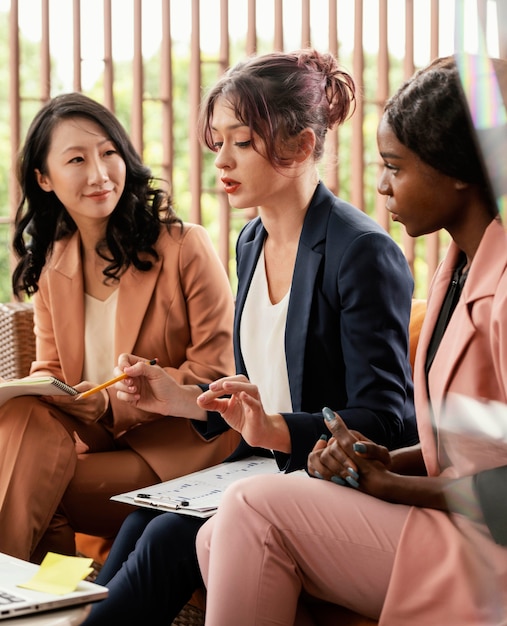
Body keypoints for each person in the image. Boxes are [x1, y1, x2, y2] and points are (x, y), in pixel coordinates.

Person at [82, 48, 417, 626]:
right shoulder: (251, 240)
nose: (222, 161)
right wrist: (177, 397)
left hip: (326, 480)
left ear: (302, 147)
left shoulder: (360, 252)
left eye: (241, 141)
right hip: (259, 466)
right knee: (141, 521)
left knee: (165, 537)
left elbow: (386, 418)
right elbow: (259, 391)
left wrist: (279, 430)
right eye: (219, 142)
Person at [195, 55, 507, 626]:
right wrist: (387, 462)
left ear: (460, 170)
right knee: (214, 537)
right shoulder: (458, 267)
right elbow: (464, 447)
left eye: (396, 167)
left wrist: (394, 486)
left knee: (246, 509)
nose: (381, 186)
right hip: (458, 522)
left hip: (489, 549)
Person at [0, 92, 240, 564]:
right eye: (76, 159)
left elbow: (218, 371)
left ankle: (29, 603)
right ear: (44, 179)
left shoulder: (185, 246)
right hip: (99, 446)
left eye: (109, 152)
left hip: (182, 452)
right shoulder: (53, 268)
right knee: (22, 415)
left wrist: (108, 401)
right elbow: (49, 370)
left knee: (27, 485)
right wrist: (52, 395)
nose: (99, 173)